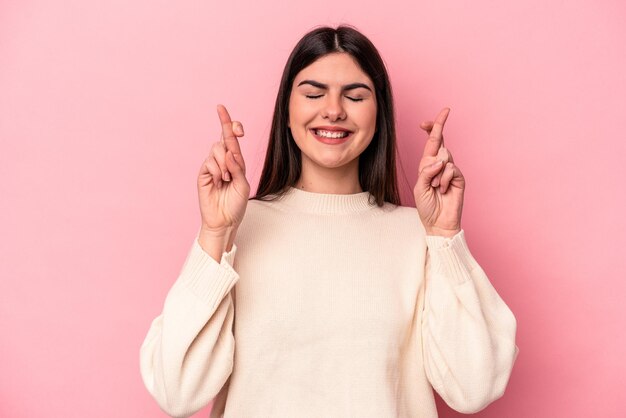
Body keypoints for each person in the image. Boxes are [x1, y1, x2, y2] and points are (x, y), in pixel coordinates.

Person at [139, 25, 519, 418]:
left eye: (354, 96)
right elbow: (177, 392)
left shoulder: (418, 236)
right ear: (287, 112)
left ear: (379, 115)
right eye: (313, 93)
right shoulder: (238, 228)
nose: (334, 109)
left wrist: (444, 237)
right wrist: (216, 233)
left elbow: (475, 387)